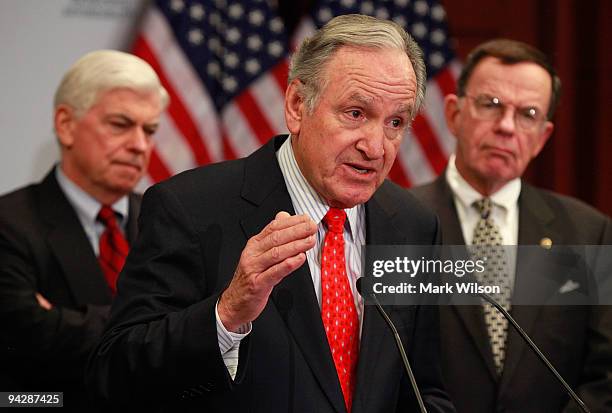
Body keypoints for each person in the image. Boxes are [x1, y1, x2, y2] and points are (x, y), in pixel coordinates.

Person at [86, 14, 455, 413]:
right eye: (355, 113)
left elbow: (423, 388)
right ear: (297, 105)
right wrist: (226, 314)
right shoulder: (190, 208)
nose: (376, 146)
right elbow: (116, 372)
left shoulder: (413, 225)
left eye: (395, 122)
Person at [410, 39, 612, 412]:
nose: (506, 126)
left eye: (528, 113)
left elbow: (606, 377)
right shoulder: (400, 222)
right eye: (491, 105)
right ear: (454, 114)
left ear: (543, 137)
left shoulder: (589, 233)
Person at [0, 50, 168, 409]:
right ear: (65, 124)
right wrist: (162, 327)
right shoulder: (8, 223)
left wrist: (64, 322)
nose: (140, 145)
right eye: (121, 124)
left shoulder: (170, 219)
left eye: (149, 130)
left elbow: (200, 332)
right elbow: (26, 338)